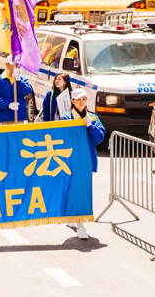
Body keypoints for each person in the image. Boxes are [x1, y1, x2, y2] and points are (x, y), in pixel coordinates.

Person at [61, 88, 106, 240]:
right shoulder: (66, 118)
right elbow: (65, 139)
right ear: (72, 101)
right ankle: (79, 223)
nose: (81, 102)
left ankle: (78, 221)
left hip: (86, 160)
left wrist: (90, 126)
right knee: (75, 190)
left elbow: (99, 139)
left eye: (84, 99)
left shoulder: (93, 118)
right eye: (78, 99)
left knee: (82, 191)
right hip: (71, 160)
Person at [0, 55, 33, 125]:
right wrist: (8, 104)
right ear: (7, 65)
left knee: (19, 136)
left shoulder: (22, 79)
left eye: (17, 65)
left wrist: (19, 81)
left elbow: (26, 92)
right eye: (13, 64)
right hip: (4, 118)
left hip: (19, 117)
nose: (16, 67)